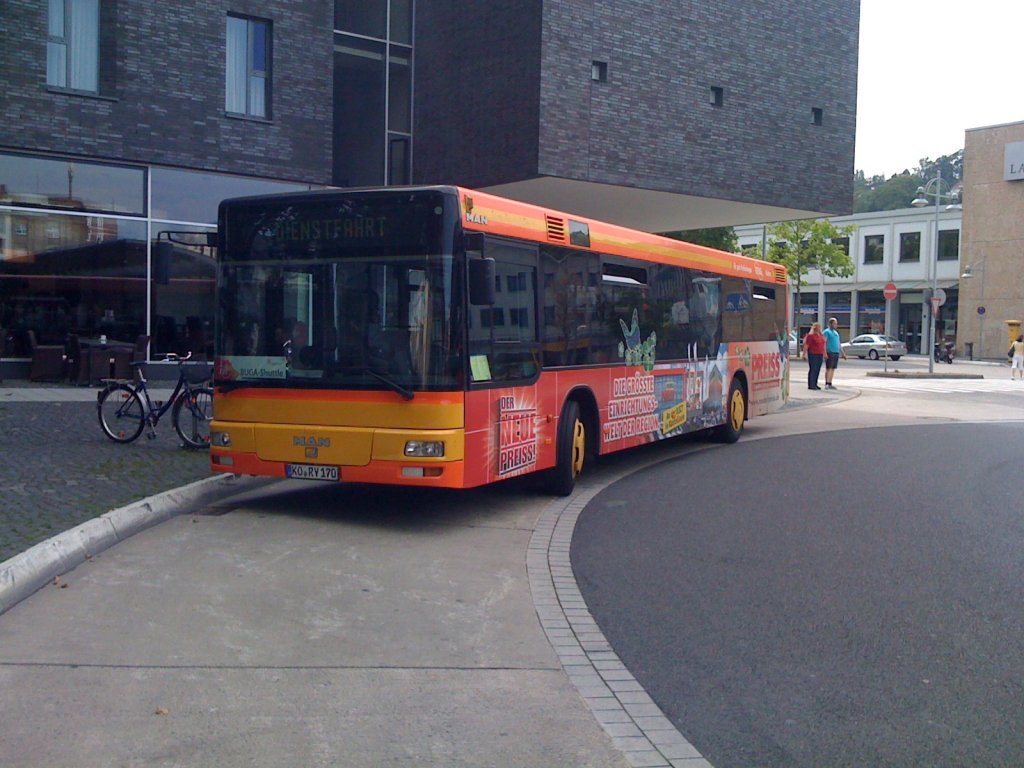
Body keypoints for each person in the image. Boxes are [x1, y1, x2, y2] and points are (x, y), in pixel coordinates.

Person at [822, 316, 847, 389]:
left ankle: (830, 383)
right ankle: (827, 383)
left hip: (836, 352)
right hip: (830, 352)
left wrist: (843, 353)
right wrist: (824, 353)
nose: (836, 325)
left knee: (833, 368)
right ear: (830, 324)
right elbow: (824, 343)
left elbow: (838, 343)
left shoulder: (836, 333)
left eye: (836, 323)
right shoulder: (826, 332)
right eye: (834, 323)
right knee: (829, 368)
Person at [801, 322, 825, 390]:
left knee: (817, 369)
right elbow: (807, 345)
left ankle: (815, 383)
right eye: (817, 327)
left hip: (820, 354)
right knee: (813, 369)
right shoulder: (810, 336)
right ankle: (811, 384)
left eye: (819, 327)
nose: (819, 329)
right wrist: (804, 354)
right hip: (813, 354)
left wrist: (824, 353)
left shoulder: (821, 336)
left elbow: (823, 345)